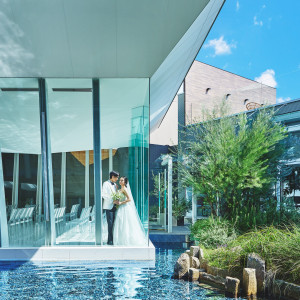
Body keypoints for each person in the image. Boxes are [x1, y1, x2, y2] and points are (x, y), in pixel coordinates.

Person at [113, 176, 147, 246]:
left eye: (122, 180)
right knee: (121, 222)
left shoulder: (124, 189)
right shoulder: (121, 188)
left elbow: (129, 199)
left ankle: (126, 240)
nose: (120, 181)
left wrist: (120, 203)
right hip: (121, 207)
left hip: (124, 207)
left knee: (125, 223)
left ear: (125, 182)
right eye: (120, 180)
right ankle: (121, 239)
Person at [102, 170, 119, 245]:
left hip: (115, 207)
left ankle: (113, 239)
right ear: (112, 177)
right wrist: (112, 200)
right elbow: (104, 195)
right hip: (109, 206)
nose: (117, 179)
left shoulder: (115, 185)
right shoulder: (106, 184)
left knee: (115, 224)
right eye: (116, 177)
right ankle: (110, 240)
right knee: (110, 224)